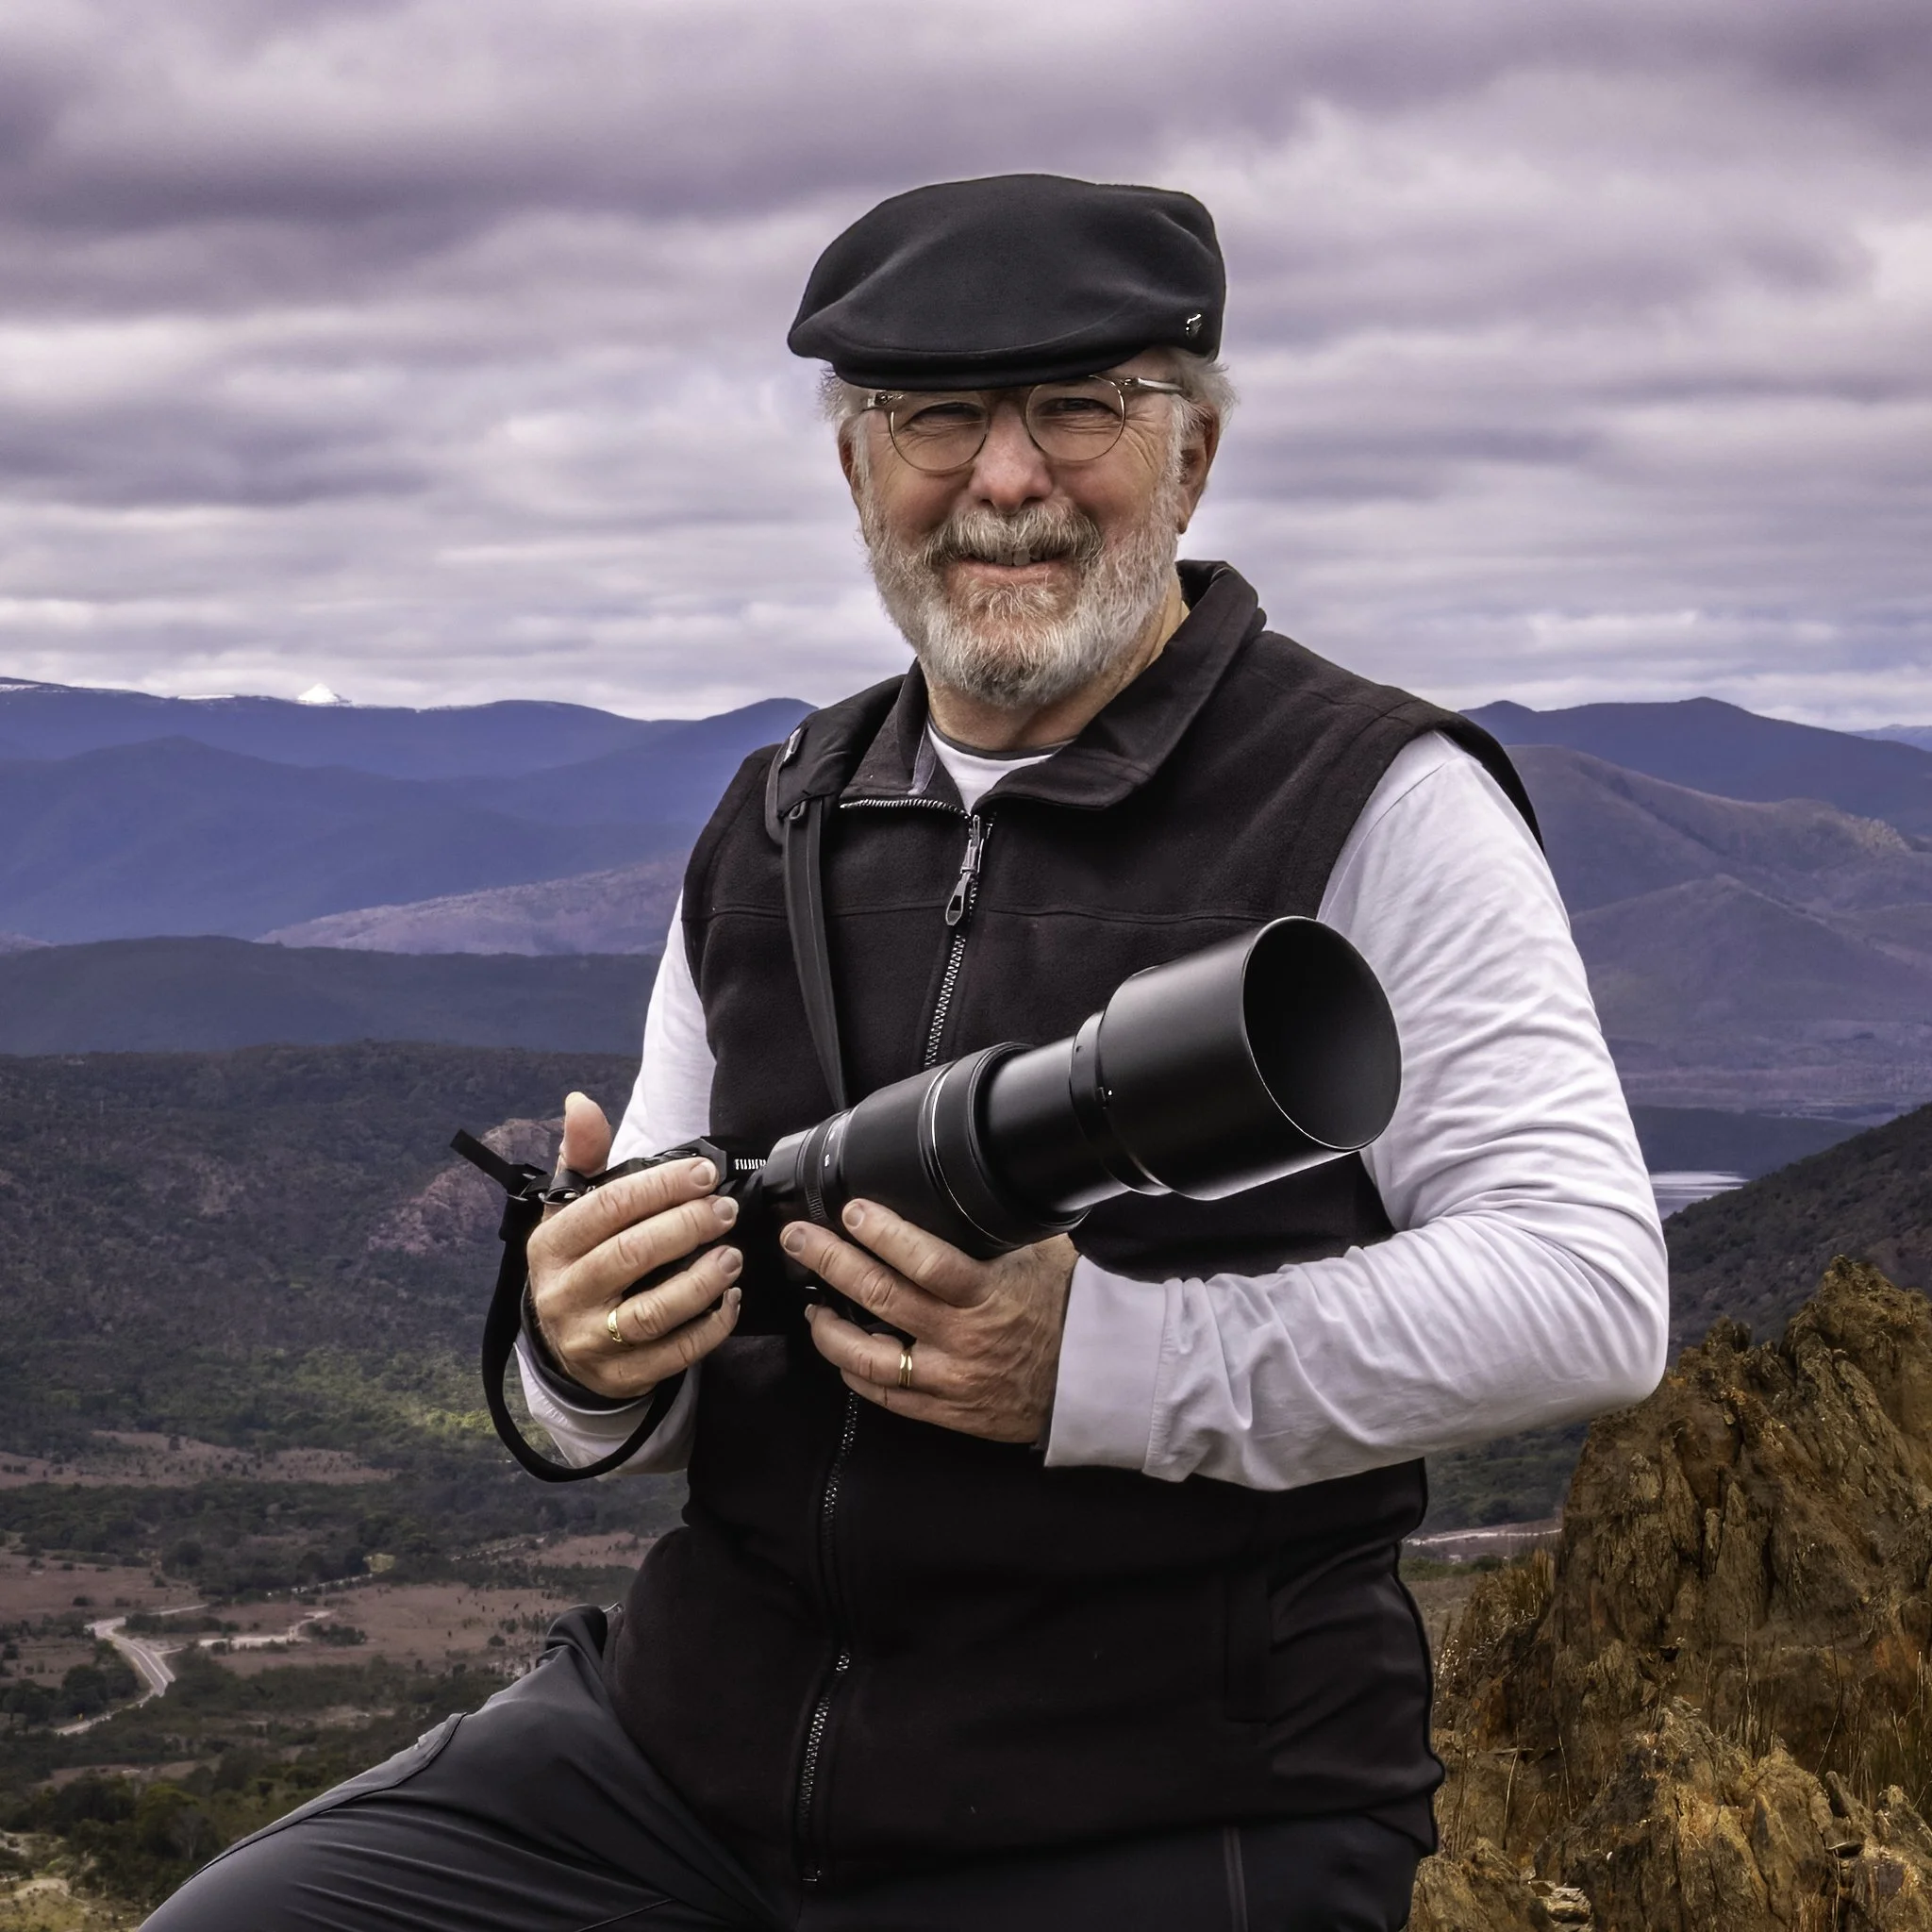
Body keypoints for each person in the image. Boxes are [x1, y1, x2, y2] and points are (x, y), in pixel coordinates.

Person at [147, 175, 1667, 1931]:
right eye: (936, 417)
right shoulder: (780, 809)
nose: (1005, 480)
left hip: (1166, 1803)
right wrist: (585, 1347)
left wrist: (1103, 1360)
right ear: (859, 468)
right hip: (686, 1762)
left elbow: (1586, 1291)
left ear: (1192, 457)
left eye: (1079, 409)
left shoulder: (1379, 800)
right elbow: (634, 1390)